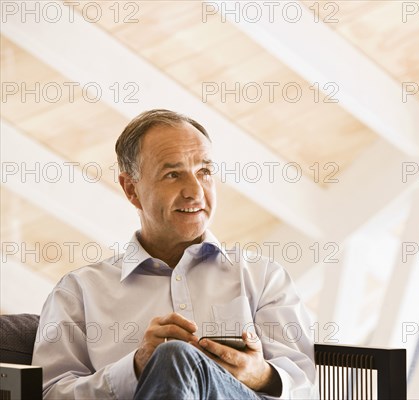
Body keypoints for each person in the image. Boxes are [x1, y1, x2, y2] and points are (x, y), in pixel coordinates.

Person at [32, 109, 318, 399]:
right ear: (131, 190)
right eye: (173, 174)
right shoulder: (78, 292)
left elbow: (305, 386)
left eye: (204, 172)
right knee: (174, 357)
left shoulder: (263, 277)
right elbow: (49, 394)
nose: (195, 191)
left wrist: (260, 375)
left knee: (175, 357)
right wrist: (136, 366)